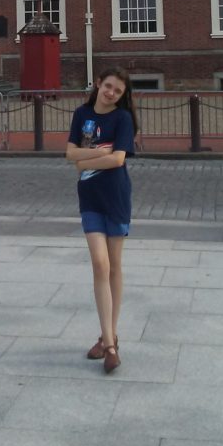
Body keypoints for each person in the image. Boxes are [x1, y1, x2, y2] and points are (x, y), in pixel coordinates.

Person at [66, 66, 137, 375]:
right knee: (100, 264)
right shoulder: (81, 114)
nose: (111, 93)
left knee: (115, 266)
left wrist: (86, 158)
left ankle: (108, 335)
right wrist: (97, 153)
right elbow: (69, 155)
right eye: (108, 86)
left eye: (118, 91)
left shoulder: (123, 118)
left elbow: (118, 159)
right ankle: (110, 345)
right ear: (98, 84)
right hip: (90, 198)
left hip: (116, 196)